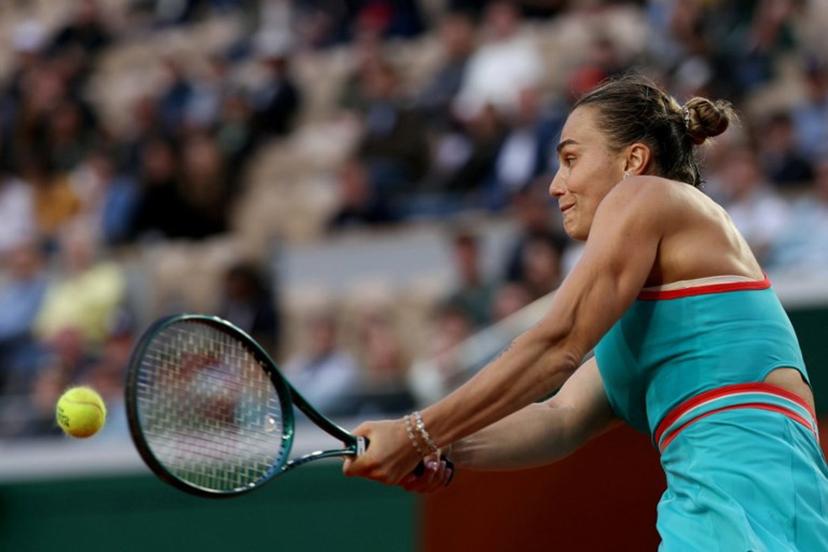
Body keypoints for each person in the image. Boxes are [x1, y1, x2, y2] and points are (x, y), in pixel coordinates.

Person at [343, 75, 828, 550]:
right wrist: (439, 448)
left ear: (633, 161)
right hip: (719, 515)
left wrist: (416, 432)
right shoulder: (645, 324)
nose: (555, 185)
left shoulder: (646, 195)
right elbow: (560, 417)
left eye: (571, 159)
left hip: (755, 513)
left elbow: (557, 344)